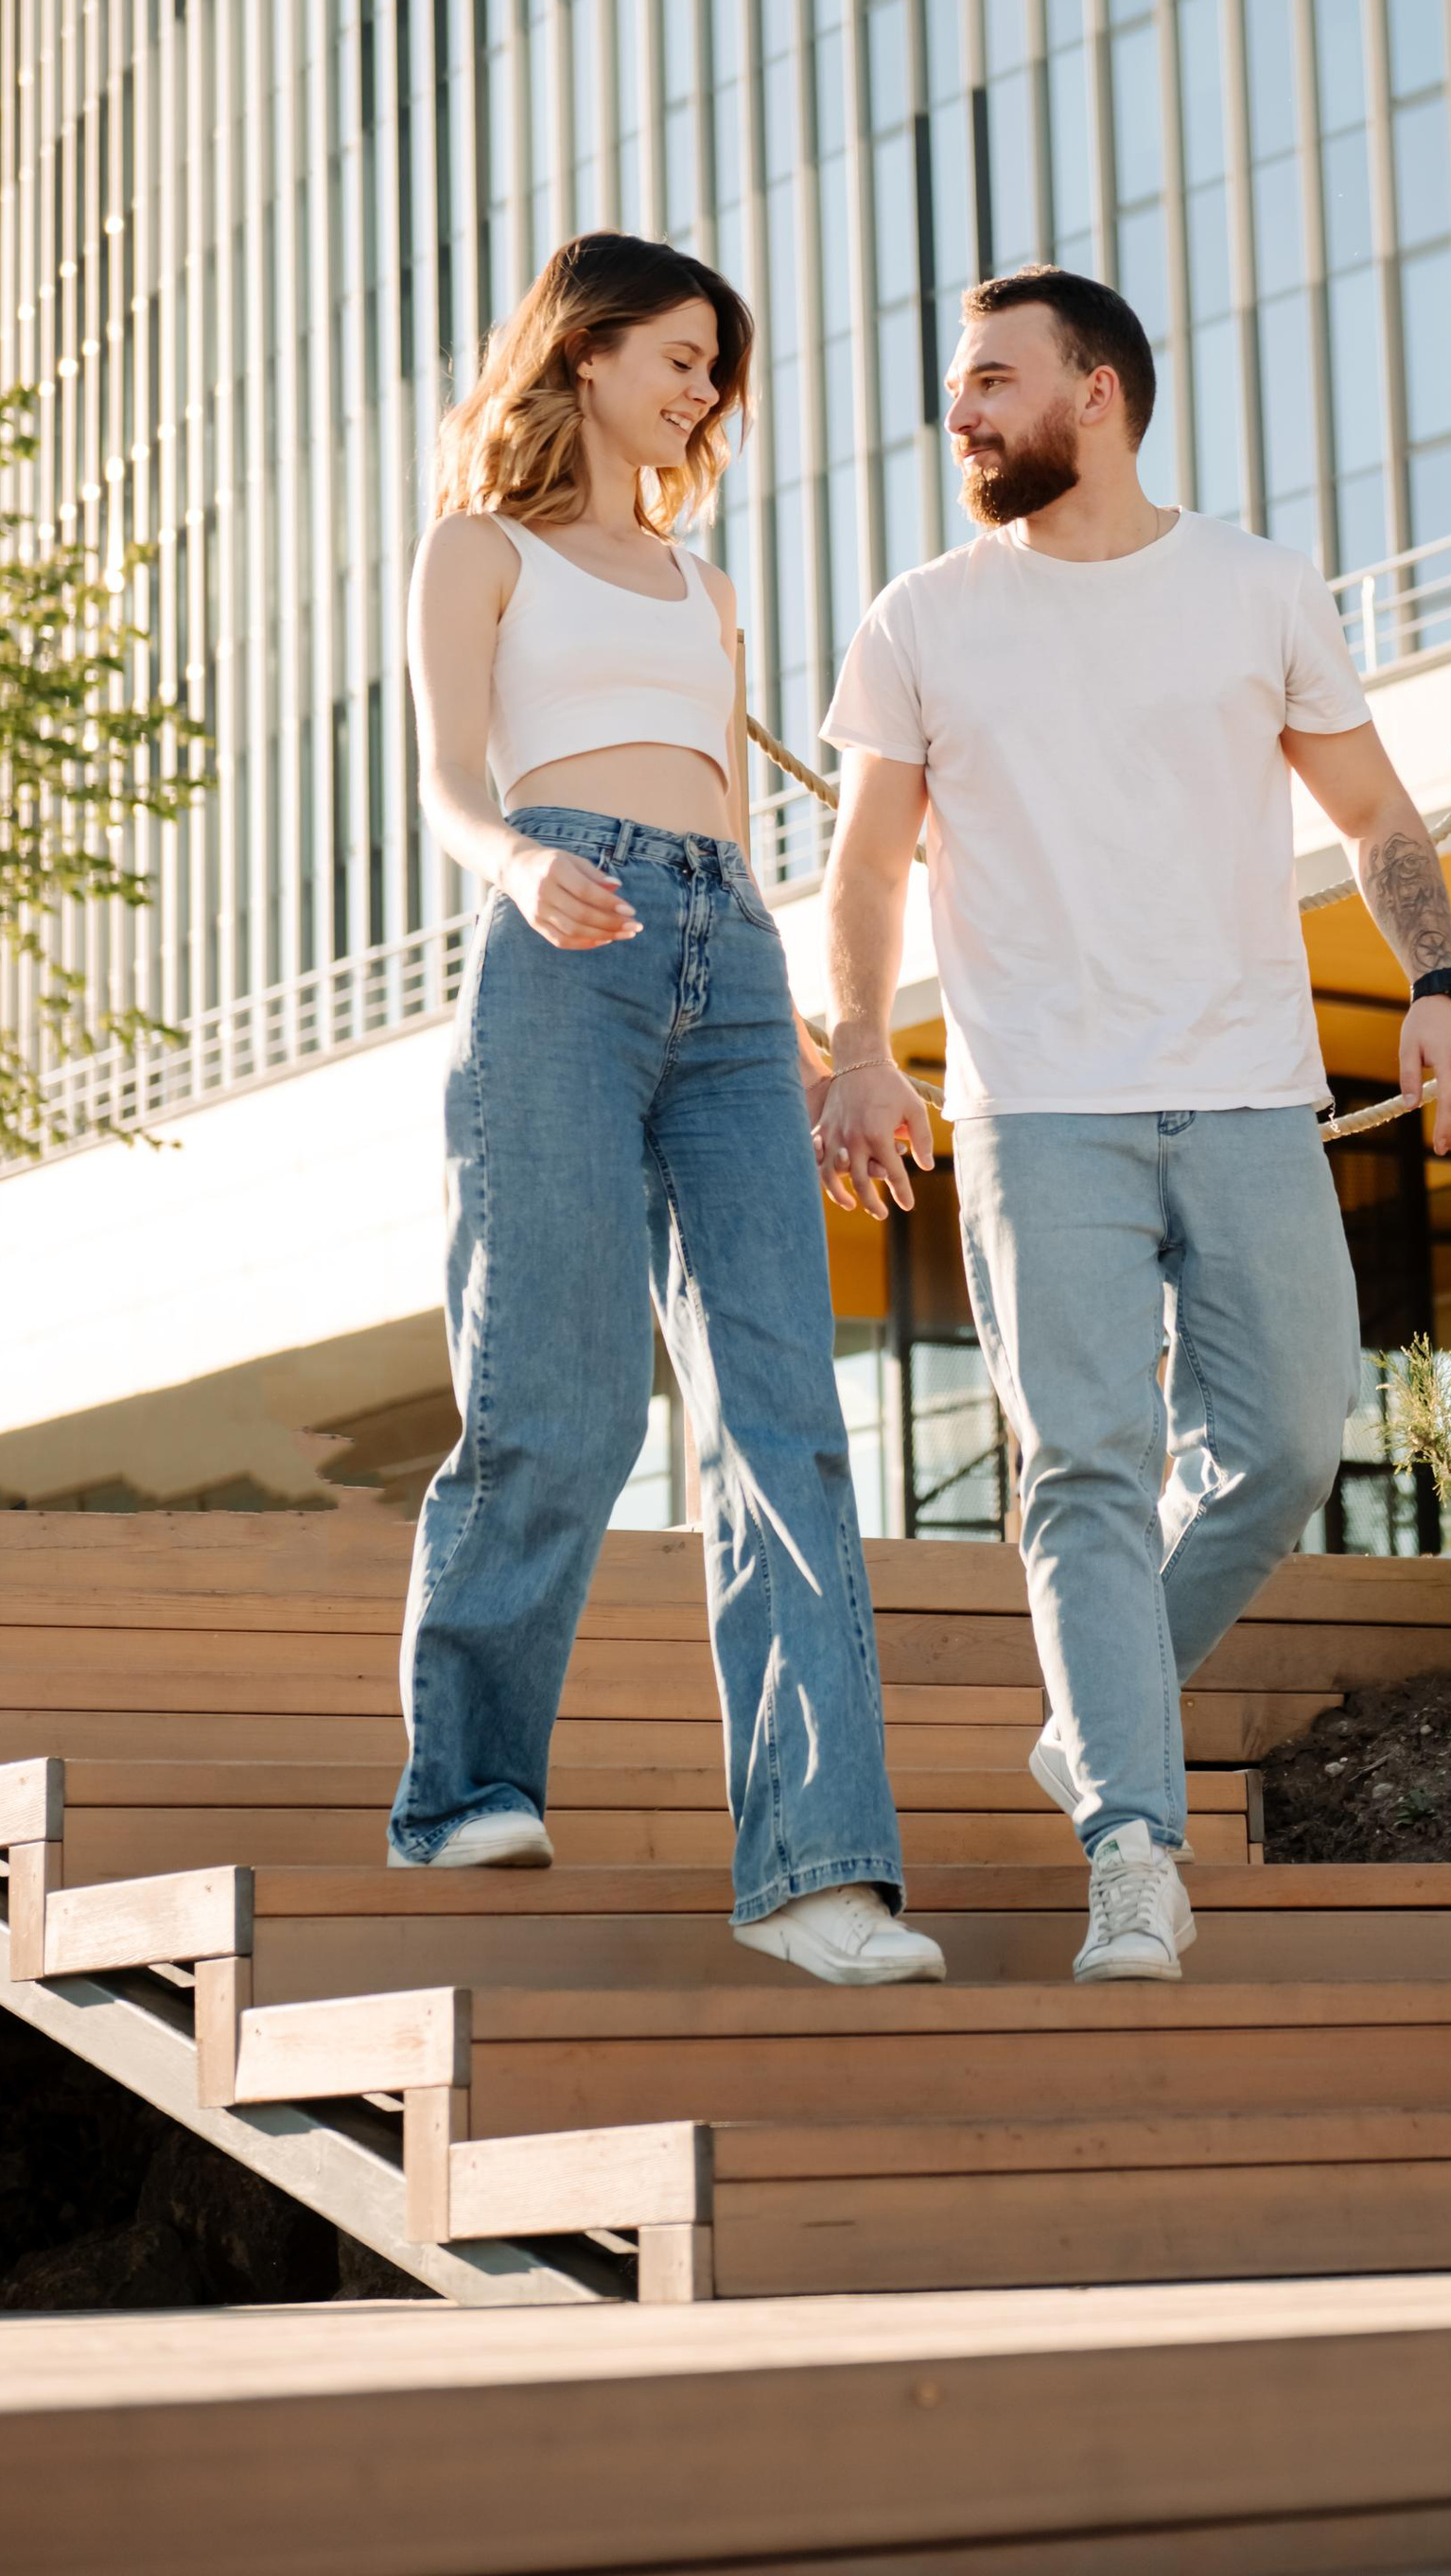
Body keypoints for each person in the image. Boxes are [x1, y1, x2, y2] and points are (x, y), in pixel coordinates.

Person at [815, 266, 1451, 1981]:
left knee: (1287, 1444)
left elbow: (1372, 810)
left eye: (988, 380)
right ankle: (1134, 1842)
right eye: (954, 388)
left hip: (1251, 1086)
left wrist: (1442, 979)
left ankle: (1093, 1713)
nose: (956, 414)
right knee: (1087, 1472)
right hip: (1039, 1110)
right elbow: (866, 863)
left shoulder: (1256, 587)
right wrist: (860, 1052)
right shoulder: (921, 618)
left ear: (1094, 390)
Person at [390, 230, 942, 1988]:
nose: (704, 387)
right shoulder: (477, 551)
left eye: (717, 364)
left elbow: (730, 820)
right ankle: (465, 1778)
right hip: (562, 944)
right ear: (584, 354)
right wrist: (523, 862)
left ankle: (818, 1869)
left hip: (726, 956)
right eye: (680, 353)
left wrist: (802, 1036)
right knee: (554, 1389)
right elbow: (453, 786)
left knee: (787, 1407)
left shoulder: (706, 588)